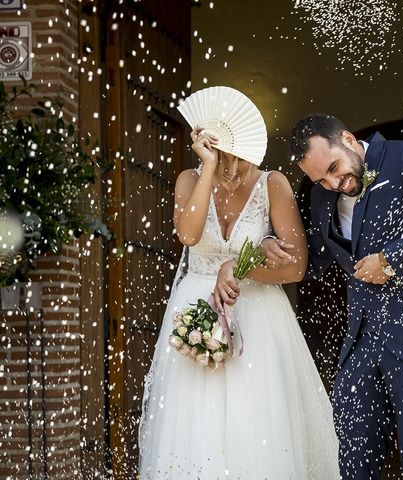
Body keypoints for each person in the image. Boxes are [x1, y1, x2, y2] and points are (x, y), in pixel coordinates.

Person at [261, 114, 403, 480]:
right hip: (362, 340)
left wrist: (390, 260)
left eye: (334, 168)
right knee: (351, 458)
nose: (333, 183)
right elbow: (310, 262)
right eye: (321, 179)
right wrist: (268, 240)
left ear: (347, 138)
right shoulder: (321, 194)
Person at [138, 102, 339, 478]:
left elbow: (295, 267)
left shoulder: (272, 184)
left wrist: (243, 268)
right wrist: (208, 170)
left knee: (257, 419)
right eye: (223, 160)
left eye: (239, 161)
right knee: (196, 418)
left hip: (260, 312)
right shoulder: (188, 180)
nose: (232, 172)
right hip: (197, 304)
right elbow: (188, 235)